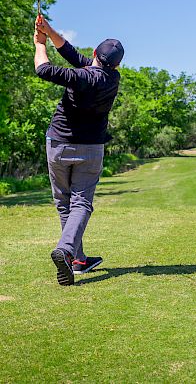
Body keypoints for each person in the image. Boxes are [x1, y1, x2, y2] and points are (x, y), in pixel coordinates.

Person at [33, 15, 124, 286]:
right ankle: (73, 255)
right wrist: (48, 31)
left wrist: (40, 44)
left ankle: (73, 256)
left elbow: (44, 69)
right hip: (90, 149)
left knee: (64, 204)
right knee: (81, 203)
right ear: (117, 64)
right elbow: (71, 53)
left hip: (58, 145)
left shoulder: (83, 76)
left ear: (95, 54)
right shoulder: (112, 77)